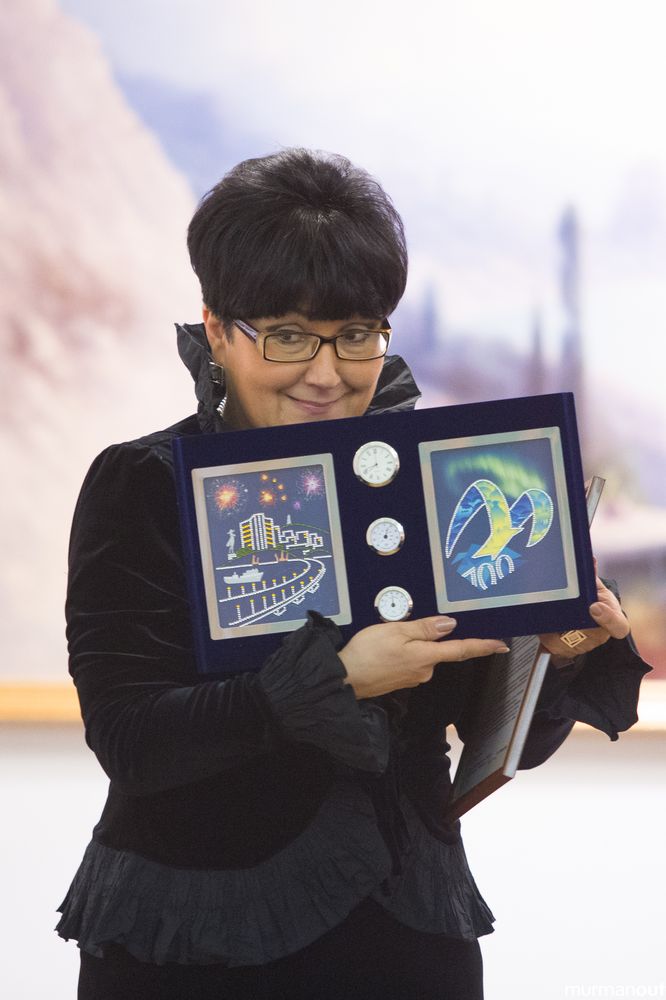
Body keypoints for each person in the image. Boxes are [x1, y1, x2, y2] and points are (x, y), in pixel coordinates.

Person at [56, 148, 650, 1000]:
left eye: (357, 334)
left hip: (407, 935)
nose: (327, 372)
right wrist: (333, 679)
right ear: (217, 329)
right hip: (194, 940)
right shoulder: (143, 483)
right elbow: (132, 741)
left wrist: (554, 655)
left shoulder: (435, 479)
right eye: (288, 335)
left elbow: (488, 738)